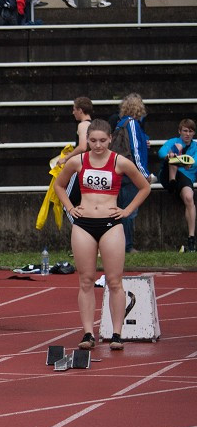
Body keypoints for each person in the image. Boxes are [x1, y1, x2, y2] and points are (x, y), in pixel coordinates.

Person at [53, 119, 151, 350]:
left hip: (111, 224)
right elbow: (59, 185)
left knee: (114, 281)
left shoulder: (120, 162)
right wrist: (69, 206)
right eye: (93, 140)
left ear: (110, 140)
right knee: (85, 280)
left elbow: (145, 186)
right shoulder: (78, 161)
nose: (97, 145)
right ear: (87, 140)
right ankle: (88, 333)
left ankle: (117, 334)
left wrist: (127, 210)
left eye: (102, 141)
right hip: (83, 224)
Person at [111, 93, 151, 253]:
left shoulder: (121, 123)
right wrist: (143, 173)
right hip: (130, 174)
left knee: (122, 209)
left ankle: (120, 244)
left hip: (121, 172)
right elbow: (134, 150)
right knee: (129, 211)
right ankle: (127, 246)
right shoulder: (133, 124)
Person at [158, 119, 197, 252]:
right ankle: (172, 181)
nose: (187, 134)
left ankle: (191, 239)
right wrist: (173, 156)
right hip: (167, 174)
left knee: (189, 198)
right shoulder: (173, 141)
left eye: (190, 131)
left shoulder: (196, 147)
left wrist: (189, 163)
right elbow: (161, 152)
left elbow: (195, 162)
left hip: (185, 178)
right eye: (185, 131)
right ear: (179, 131)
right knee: (175, 151)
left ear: (194, 133)